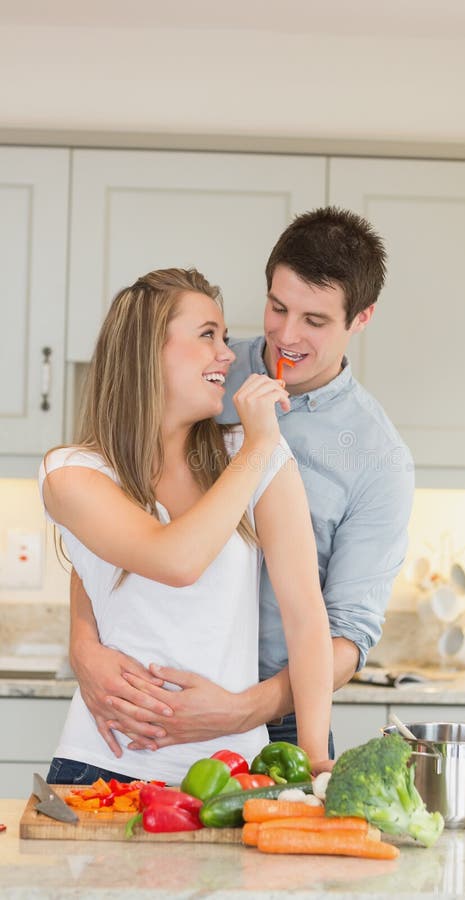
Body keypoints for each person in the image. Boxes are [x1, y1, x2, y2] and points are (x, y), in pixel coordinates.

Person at [69, 207, 414, 759]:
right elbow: (112, 512)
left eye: (316, 321)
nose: (288, 335)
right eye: (278, 308)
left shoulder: (379, 459)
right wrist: (83, 646)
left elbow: (345, 637)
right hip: (148, 698)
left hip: (276, 719)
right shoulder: (206, 369)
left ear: (361, 318)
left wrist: (241, 709)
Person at [39, 267, 333, 785]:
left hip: (236, 776)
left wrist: (314, 759)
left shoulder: (251, 453)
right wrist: (261, 445)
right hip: (103, 771)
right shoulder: (72, 474)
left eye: (223, 336)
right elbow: (174, 561)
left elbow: (306, 616)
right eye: (207, 335)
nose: (227, 353)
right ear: (148, 351)